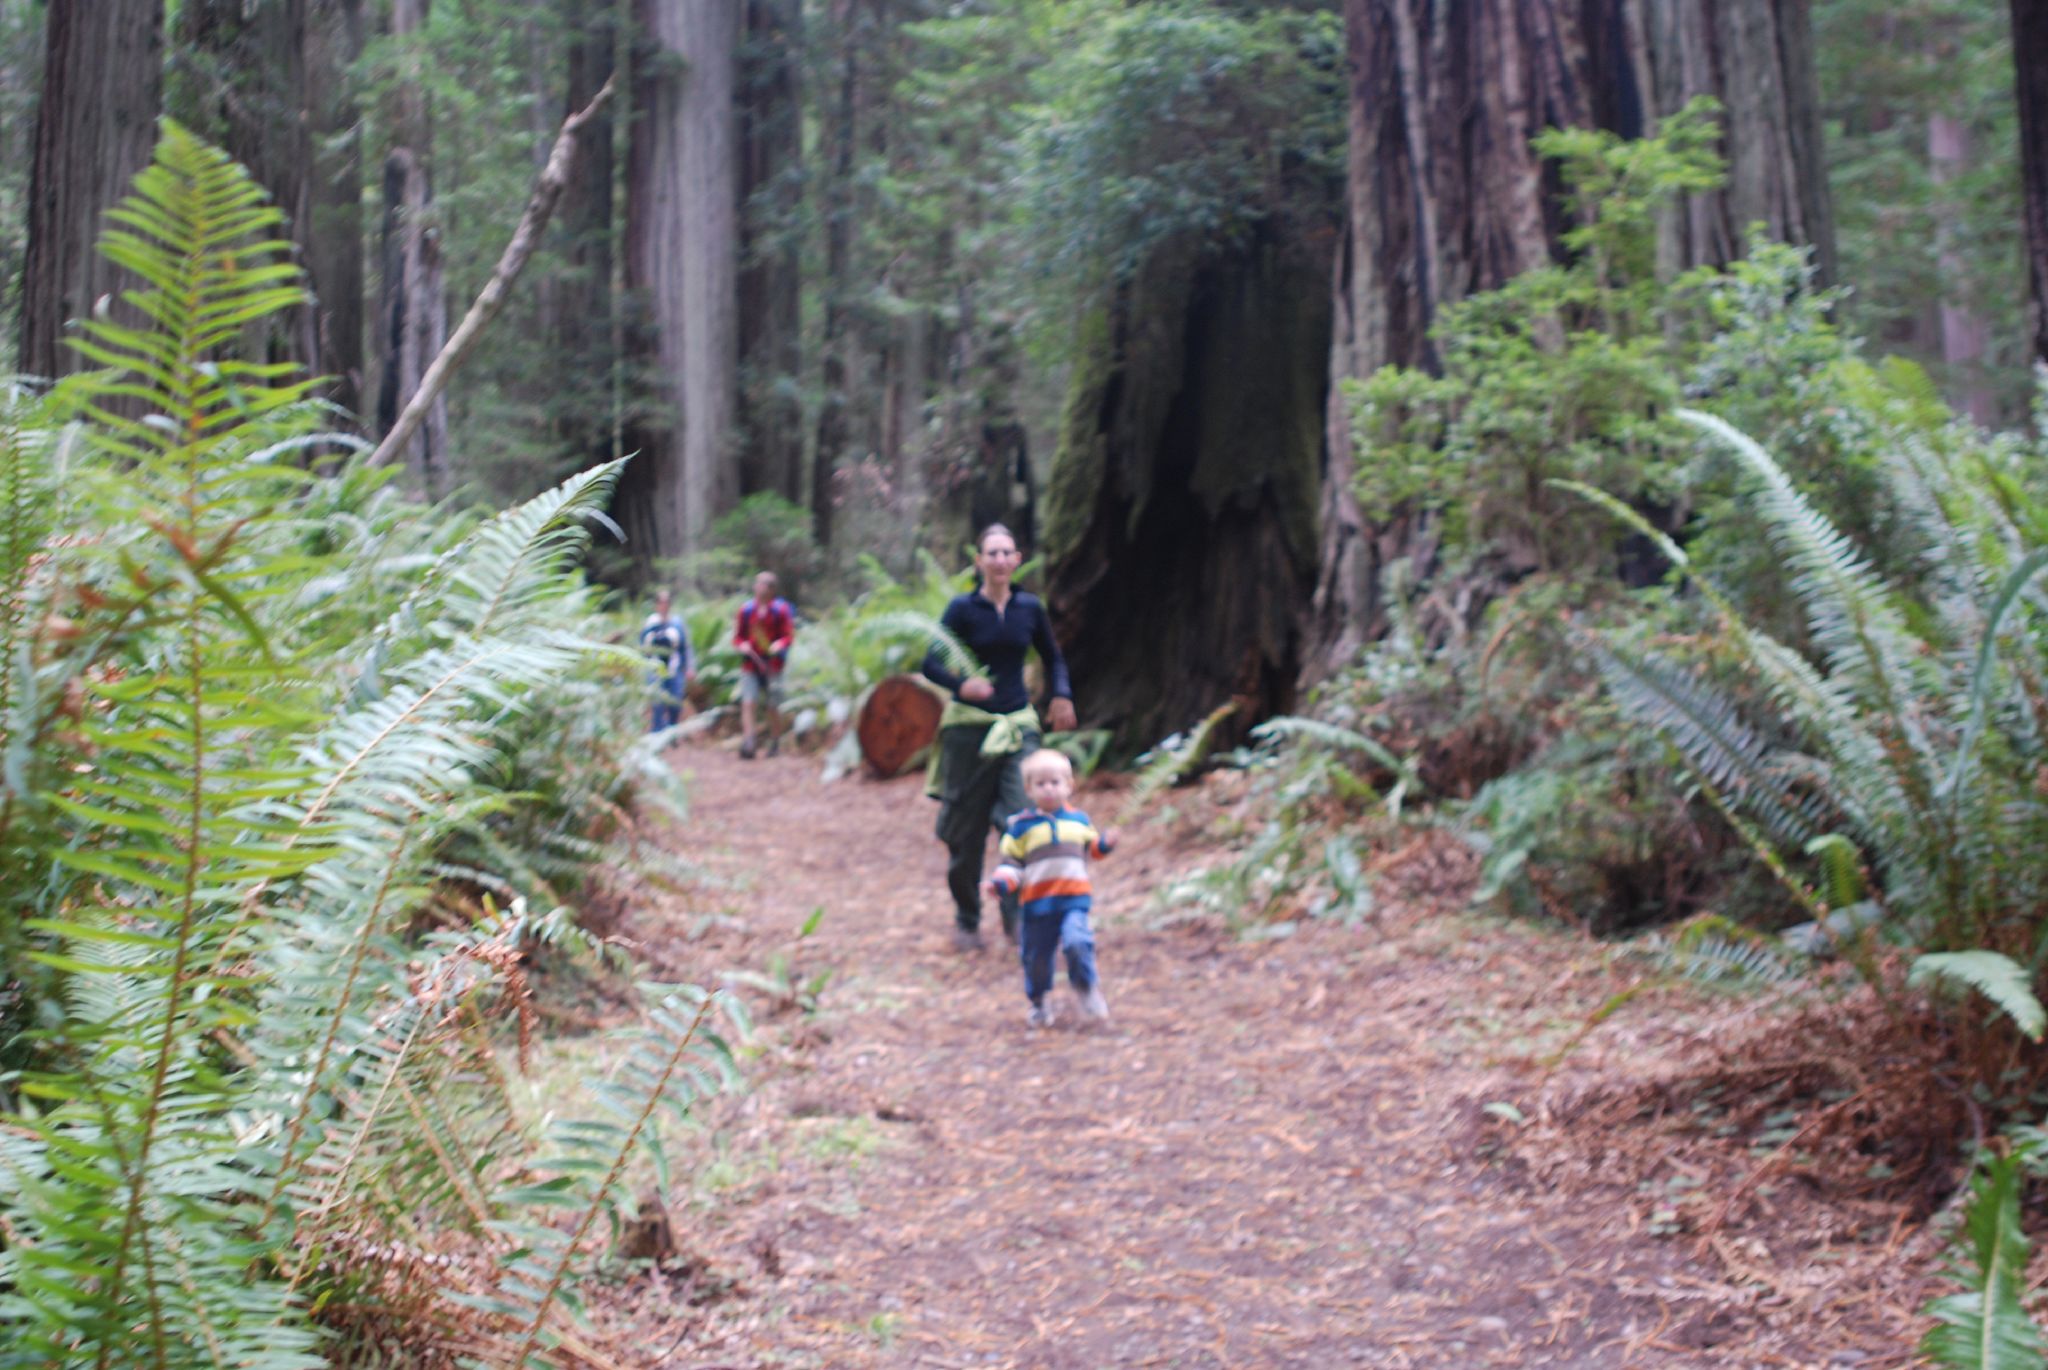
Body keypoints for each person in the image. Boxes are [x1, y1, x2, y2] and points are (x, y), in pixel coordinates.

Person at [922, 523, 1076, 952]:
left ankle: (1018, 921)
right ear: (979, 561)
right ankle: (967, 919)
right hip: (968, 730)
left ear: (1017, 560)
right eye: (992, 553)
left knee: (1021, 822)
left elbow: (1053, 657)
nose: (1001, 560)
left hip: (1017, 726)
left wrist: (1061, 694)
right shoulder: (961, 609)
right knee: (965, 833)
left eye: (1008, 552)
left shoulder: (1030, 608)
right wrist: (960, 686)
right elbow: (930, 662)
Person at [983, 748, 1115, 1027]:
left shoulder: (1078, 821)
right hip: (1037, 904)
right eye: (1040, 784)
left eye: (1055, 782)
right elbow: (1011, 864)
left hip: (1074, 899)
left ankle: (1086, 989)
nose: (1049, 789)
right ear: (1029, 789)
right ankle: (1039, 1001)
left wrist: (1105, 844)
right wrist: (1000, 884)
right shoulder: (1021, 827)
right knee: (1036, 957)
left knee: (1078, 943)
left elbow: (1091, 850)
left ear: (1069, 785)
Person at [734, 571, 795, 759]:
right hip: (750, 665)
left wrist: (779, 644)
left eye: (764, 585)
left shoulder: (781, 611)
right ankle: (749, 741)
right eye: (758, 584)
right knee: (748, 703)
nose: (760, 588)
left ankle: (775, 741)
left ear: (771, 590)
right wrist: (742, 645)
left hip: (773, 666)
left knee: (772, 706)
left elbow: (788, 636)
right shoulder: (746, 610)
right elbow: (737, 637)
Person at [639, 589, 694, 734]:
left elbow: (686, 647)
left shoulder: (677, 624)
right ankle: (657, 732)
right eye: (661, 602)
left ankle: (671, 731)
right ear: (656, 605)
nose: (664, 605)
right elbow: (642, 646)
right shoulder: (650, 623)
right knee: (657, 702)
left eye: (666, 602)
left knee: (675, 700)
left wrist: (689, 667)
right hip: (654, 668)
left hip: (674, 668)